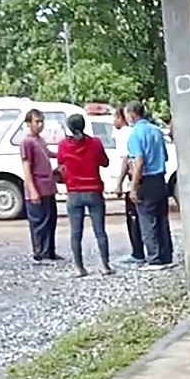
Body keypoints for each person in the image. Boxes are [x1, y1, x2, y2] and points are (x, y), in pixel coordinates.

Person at [57, 114, 111, 278]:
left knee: (76, 232)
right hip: (94, 191)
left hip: (74, 193)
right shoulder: (95, 143)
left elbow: (60, 164)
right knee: (100, 231)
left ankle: (80, 268)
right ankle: (105, 266)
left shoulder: (63, 145)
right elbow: (105, 162)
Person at [125, 100, 173, 271]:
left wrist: (133, 186)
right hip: (160, 178)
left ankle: (154, 258)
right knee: (162, 219)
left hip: (146, 180)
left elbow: (139, 162)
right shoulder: (156, 131)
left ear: (131, 115)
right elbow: (165, 156)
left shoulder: (135, 135)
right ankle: (167, 255)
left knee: (147, 220)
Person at [21, 109, 60, 263]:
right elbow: (26, 166)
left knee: (50, 220)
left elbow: (48, 154)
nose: (40, 125)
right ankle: (40, 253)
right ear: (28, 124)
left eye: (41, 121)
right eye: (37, 122)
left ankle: (50, 251)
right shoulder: (26, 142)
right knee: (39, 222)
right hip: (37, 187)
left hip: (48, 187)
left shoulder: (40, 140)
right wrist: (32, 190)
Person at [114, 105, 144, 263]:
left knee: (133, 218)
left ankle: (137, 253)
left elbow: (126, 160)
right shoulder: (132, 132)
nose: (114, 121)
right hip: (137, 180)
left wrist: (119, 183)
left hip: (131, 183)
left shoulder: (124, 134)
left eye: (115, 117)